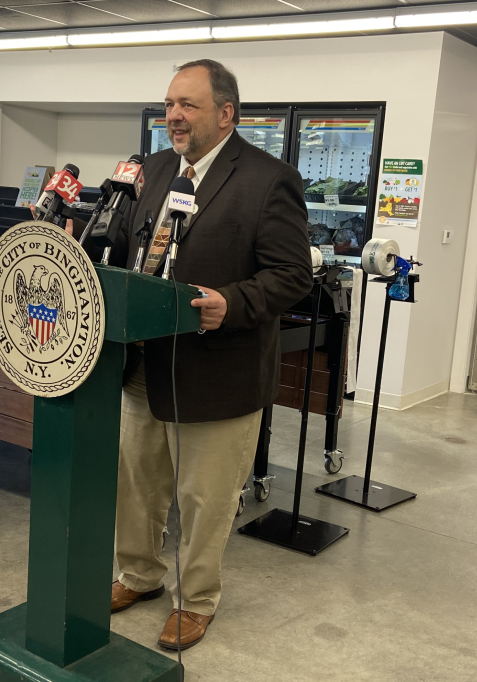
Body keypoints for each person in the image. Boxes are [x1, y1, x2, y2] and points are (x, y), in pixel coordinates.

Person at [90, 59, 313, 650]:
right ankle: (137, 575)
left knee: (204, 501)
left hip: (219, 374)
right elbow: (134, 249)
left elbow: (292, 274)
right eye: (168, 105)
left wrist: (233, 303)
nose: (173, 117)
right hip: (143, 365)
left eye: (187, 105)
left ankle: (196, 601)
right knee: (136, 486)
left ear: (225, 112)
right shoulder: (156, 169)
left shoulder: (269, 179)